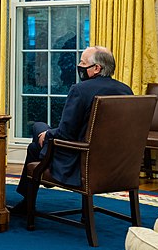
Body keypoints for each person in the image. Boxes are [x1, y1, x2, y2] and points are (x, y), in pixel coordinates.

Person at [10, 46, 133, 214]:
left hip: (78, 162)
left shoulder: (80, 90)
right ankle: (38, 168)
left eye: (83, 63)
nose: (79, 66)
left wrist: (47, 135)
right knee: (35, 145)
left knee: (38, 128)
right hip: (116, 165)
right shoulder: (126, 91)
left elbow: (65, 134)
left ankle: (30, 195)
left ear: (97, 68)